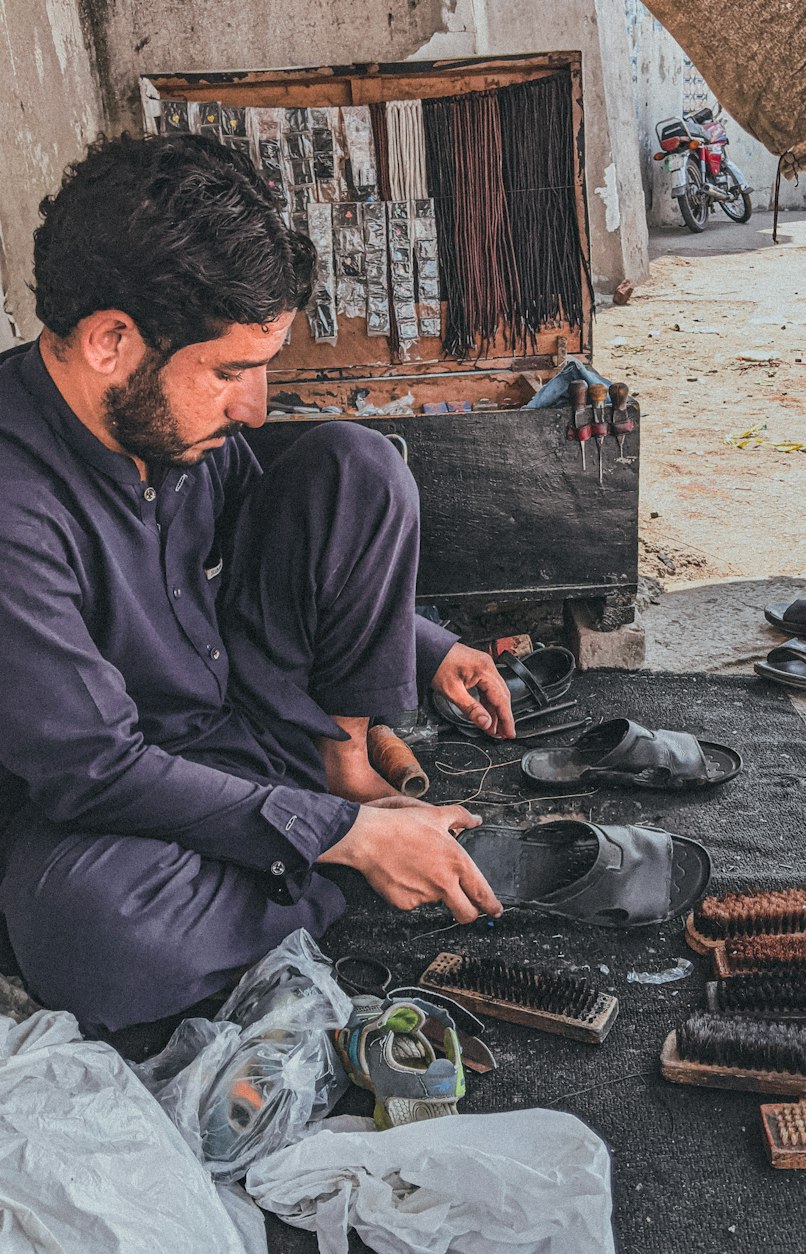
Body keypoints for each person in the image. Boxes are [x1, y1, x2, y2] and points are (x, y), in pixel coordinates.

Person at [0, 132, 515, 1035]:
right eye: (230, 371)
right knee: (89, 932)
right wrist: (342, 838)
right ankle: (354, 857)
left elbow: (274, 531)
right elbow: (98, 771)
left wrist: (426, 644)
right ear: (111, 341)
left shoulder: (169, 428)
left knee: (359, 465)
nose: (253, 407)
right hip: (121, 808)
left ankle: (332, 797)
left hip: (247, 732)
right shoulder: (13, 507)